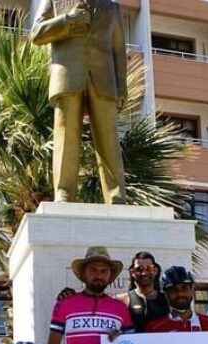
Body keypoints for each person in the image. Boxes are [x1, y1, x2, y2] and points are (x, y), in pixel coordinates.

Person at [31, 0, 127, 204]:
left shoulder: (112, 7)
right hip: (67, 76)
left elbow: (118, 50)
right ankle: (64, 194)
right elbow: (37, 34)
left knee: (109, 139)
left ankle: (116, 195)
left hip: (105, 80)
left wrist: (122, 88)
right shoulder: (54, 1)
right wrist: (68, 21)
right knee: (65, 137)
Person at [115, 251, 169, 332]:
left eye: (148, 268)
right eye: (139, 269)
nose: (144, 273)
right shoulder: (123, 300)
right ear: (132, 272)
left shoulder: (167, 299)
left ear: (155, 270)